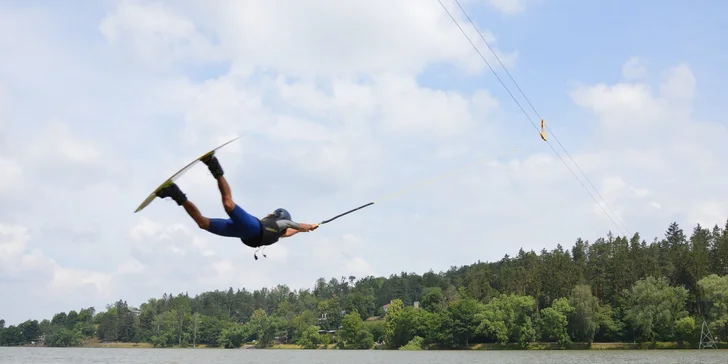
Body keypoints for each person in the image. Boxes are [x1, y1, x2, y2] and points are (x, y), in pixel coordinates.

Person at [155, 152, 319, 248]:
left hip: (239, 232)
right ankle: (213, 164)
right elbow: (297, 226)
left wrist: (304, 230)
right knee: (228, 204)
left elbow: (292, 232)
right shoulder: (280, 224)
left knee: (202, 223)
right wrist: (309, 226)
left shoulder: (279, 233)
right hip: (251, 227)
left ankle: (174, 193)